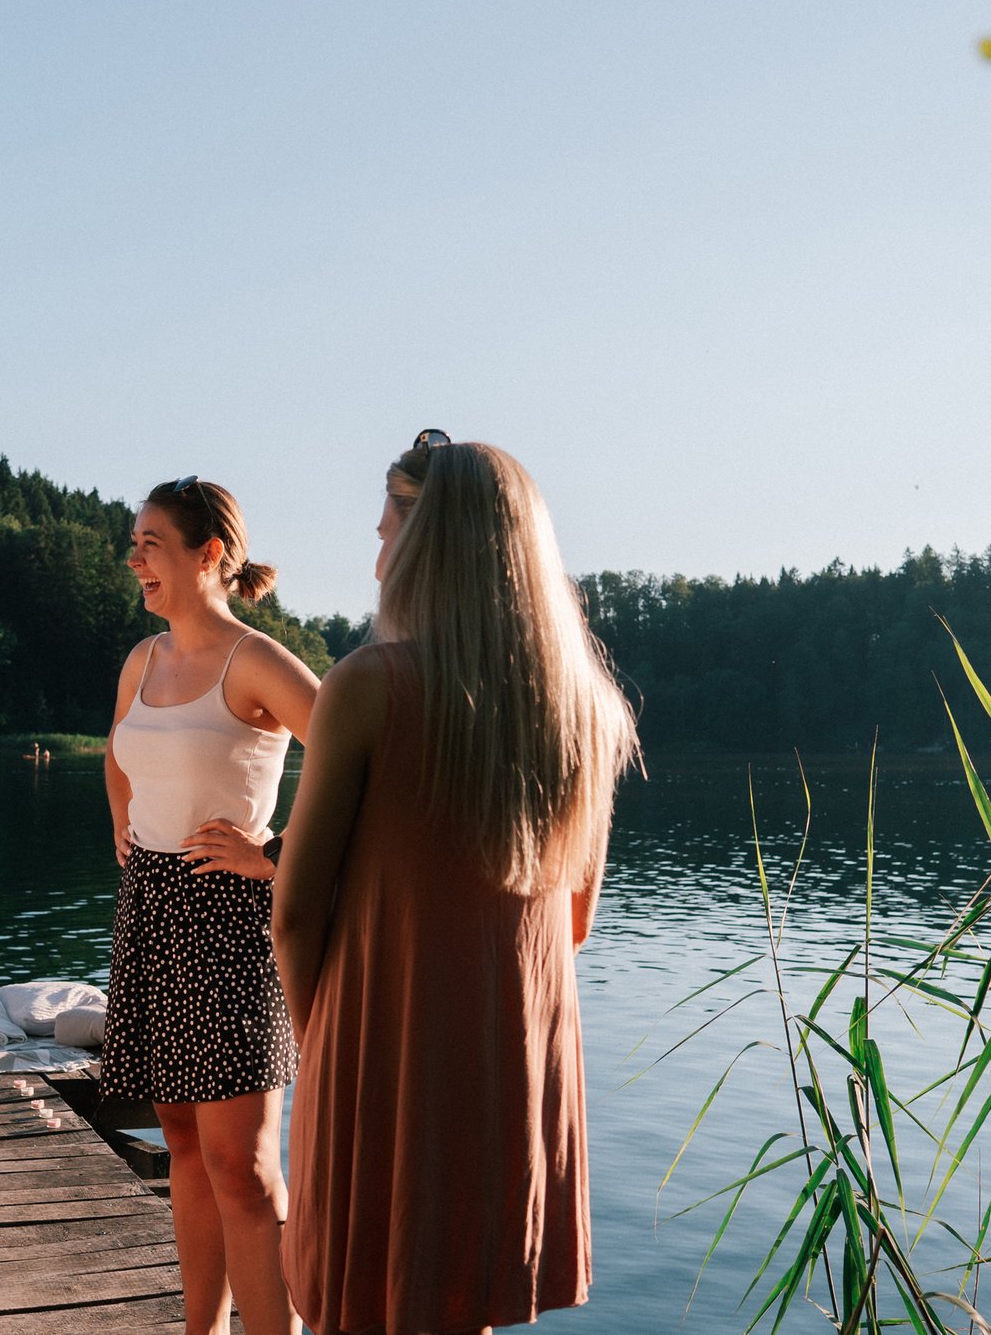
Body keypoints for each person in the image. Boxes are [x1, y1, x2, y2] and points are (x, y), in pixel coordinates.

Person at [274, 433, 638, 1335]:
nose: (375, 556)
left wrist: (322, 1039)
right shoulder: (587, 710)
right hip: (510, 1058)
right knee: (464, 1303)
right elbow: (575, 922)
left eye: (385, 530)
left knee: (363, 1299)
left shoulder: (366, 687)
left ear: (422, 545)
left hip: (381, 1049)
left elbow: (293, 912)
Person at [103, 477, 320, 1335]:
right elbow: (118, 758)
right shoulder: (142, 660)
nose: (135, 558)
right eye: (135, 541)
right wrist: (124, 822)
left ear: (210, 554)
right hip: (151, 909)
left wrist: (272, 857)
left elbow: (358, 753)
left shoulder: (254, 660)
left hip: (229, 921)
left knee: (243, 1165)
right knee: (183, 1146)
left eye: (151, 541)